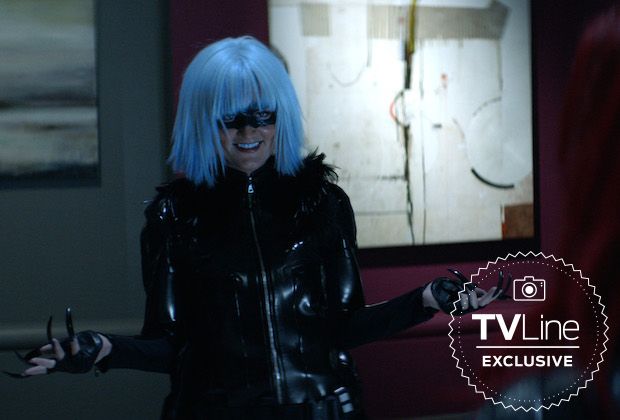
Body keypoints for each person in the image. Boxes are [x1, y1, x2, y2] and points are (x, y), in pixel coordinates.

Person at [9, 36, 505, 419]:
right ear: (204, 122)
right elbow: (172, 346)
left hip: (323, 410)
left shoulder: (323, 204)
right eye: (230, 119)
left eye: (262, 115)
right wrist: (103, 349)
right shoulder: (173, 216)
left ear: (280, 115)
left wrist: (425, 299)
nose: (249, 132)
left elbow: (343, 325)